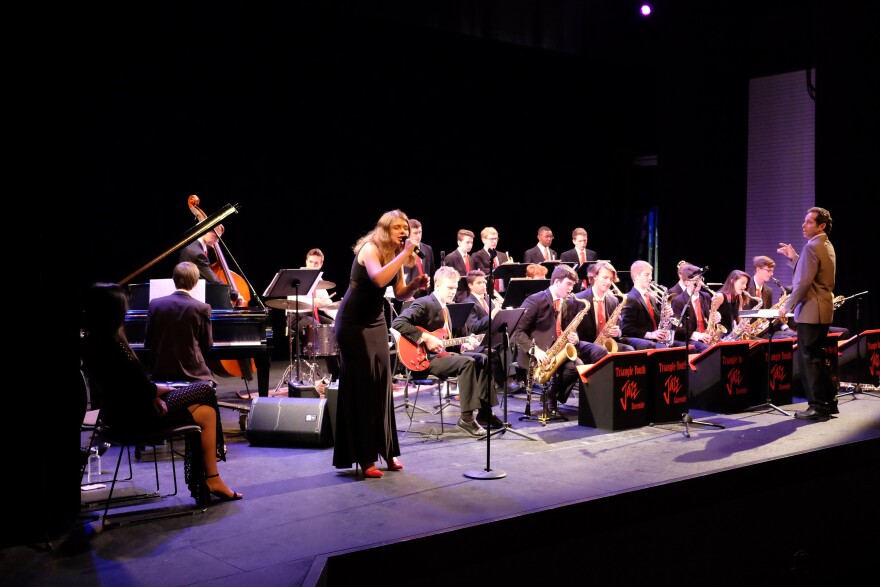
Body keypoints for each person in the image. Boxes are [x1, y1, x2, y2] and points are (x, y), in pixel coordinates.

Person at [81, 282, 242, 502]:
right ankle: (208, 477)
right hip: (135, 417)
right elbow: (139, 386)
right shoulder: (113, 347)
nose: (127, 311)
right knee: (205, 390)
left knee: (206, 412)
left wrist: (151, 394)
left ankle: (208, 479)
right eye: (124, 307)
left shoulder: (95, 343)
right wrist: (156, 392)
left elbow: (130, 385)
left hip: (119, 413)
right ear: (114, 311)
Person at [333, 209, 428, 478]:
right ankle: (364, 457)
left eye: (405, 228)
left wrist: (415, 286)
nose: (404, 232)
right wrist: (403, 254)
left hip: (375, 322)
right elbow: (377, 279)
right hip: (353, 323)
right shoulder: (370, 248)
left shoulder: (394, 255)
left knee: (382, 385)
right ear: (385, 229)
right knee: (363, 385)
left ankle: (387, 450)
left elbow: (398, 293)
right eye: (398, 227)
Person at [392, 266, 501, 433]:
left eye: (455, 288)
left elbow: (446, 341)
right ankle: (466, 418)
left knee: (482, 358)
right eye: (449, 288)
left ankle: (485, 413)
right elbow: (397, 323)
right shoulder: (425, 303)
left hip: (441, 356)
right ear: (437, 286)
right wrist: (426, 338)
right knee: (467, 363)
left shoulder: (445, 309)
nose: (453, 292)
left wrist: (462, 345)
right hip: (425, 360)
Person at [511, 265, 608, 415]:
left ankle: (592, 399)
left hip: (563, 345)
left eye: (573, 285)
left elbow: (569, 327)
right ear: (556, 282)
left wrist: (574, 336)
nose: (571, 289)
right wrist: (535, 350)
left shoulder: (569, 301)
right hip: (540, 352)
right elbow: (517, 332)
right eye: (568, 284)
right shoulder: (535, 300)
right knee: (575, 364)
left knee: (600, 351)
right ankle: (552, 396)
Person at [777, 207, 838, 421]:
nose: (803, 225)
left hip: (812, 310)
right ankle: (828, 402)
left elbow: (803, 282)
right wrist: (794, 258)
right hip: (821, 309)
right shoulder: (825, 244)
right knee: (818, 357)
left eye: (809, 222)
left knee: (809, 359)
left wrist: (786, 306)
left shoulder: (812, 246)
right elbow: (811, 272)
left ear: (821, 225)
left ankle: (817, 407)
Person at [145, 261, 218, 384]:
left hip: (160, 370)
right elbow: (207, 345)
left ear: (174, 279)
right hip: (194, 372)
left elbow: (148, 342)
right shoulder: (202, 307)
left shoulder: (154, 304)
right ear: (195, 283)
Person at [575, 261, 635, 353]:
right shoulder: (579, 299)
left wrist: (617, 332)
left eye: (611, 279)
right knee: (601, 351)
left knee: (629, 350)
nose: (608, 282)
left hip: (606, 343)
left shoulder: (613, 300)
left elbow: (618, 327)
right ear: (595, 276)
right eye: (605, 277)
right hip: (586, 345)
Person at [179, 225, 246, 308]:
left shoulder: (196, 247)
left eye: (219, 237)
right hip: (193, 299)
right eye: (215, 236)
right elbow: (213, 280)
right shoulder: (197, 253)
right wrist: (235, 294)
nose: (217, 241)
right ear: (205, 231)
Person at [619, 260, 679, 350]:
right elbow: (626, 328)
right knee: (666, 350)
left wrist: (666, 315)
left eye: (650, 275)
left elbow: (658, 322)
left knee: (686, 348)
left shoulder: (651, 298)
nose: (650, 278)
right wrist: (650, 334)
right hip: (643, 340)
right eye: (647, 275)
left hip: (656, 339)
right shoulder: (629, 298)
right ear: (637, 277)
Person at [669, 264, 716, 353]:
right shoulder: (678, 301)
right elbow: (676, 329)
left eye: (701, 279)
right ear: (687, 282)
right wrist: (698, 335)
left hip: (707, 336)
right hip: (691, 339)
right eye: (696, 280)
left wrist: (715, 318)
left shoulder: (706, 296)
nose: (700, 283)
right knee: (710, 350)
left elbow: (709, 319)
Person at [471, 226, 511, 295]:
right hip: (488, 292)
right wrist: (502, 268)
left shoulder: (503, 255)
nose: (495, 241)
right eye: (492, 239)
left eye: (496, 239)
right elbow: (483, 272)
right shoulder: (477, 255)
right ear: (484, 240)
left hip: (504, 292)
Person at [402, 218, 435, 300]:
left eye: (420, 232)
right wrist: (408, 295)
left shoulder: (428, 249)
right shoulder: (402, 250)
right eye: (415, 233)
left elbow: (432, 272)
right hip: (410, 295)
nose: (418, 236)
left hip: (427, 293)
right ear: (408, 233)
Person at [441, 229, 475, 303]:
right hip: (457, 298)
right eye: (467, 242)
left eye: (471, 243)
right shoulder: (451, 257)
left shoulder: (470, 258)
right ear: (459, 242)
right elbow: (448, 279)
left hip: (469, 297)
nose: (470, 245)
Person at [560, 227, 598, 292]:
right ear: (574, 241)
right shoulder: (566, 255)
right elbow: (563, 276)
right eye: (580, 241)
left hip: (590, 288)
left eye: (585, 240)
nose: (583, 243)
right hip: (573, 289)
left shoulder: (592, 254)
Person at [716, 269, 752, 335]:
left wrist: (744, 326)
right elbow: (708, 318)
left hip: (730, 335)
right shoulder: (720, 297)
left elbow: (739, 319)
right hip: (718, 335)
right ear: (732, 281)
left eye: (746, 284)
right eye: (742, 283)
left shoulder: (739, 298)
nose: (745, 286)